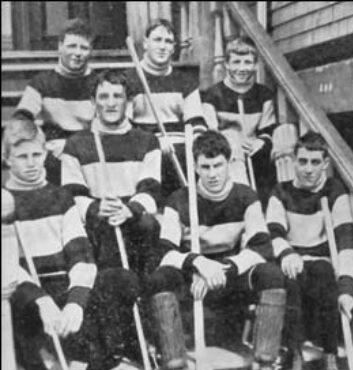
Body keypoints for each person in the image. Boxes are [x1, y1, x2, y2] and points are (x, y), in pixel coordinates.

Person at [4, 118, 141, 370]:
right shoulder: (3, 200)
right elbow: (8, 265)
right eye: (22, 157)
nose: (31, 164)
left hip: (63, 285)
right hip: (25, 291)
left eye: (37, 155)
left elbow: (81, 255)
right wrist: (43, 302)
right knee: (13, 306)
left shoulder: (60, 198)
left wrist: (75, 304)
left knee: (120, 281)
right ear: (7, 159)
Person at [148, 130, 287, 370]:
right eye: (205, 167)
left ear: (229, 163)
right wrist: (199, 263)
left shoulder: (245, 196)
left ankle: (262, 369)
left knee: (271, 274)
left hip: (229, 274)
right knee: (161, 278)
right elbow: (164, 251)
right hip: (194, 276)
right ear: (195, 167)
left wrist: (224, 267)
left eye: (218, 165)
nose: (212, 174)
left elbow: (262, 245)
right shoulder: (179, 200)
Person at [265, 130, 353, 370]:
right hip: (291, 259)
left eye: (315, 162)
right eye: (302, 161)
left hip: (321, 264)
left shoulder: (335, 191)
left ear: (325, 163)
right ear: (294, 161)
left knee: (323, 274)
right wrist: (288, 253)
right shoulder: (280, 191)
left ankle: (330, 360)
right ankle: (296, 361)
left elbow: (345, 243)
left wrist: (348, 290)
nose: (307, 169)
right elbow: (273, 232)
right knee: (290, 279)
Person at [61, 69, 162, 294]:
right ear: (92, 101)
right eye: (103, 97)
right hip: (97, 220)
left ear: (128, 101)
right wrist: (97, 208)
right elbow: (71, 194)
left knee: (148, 225)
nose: (111, 103)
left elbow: (152, 190)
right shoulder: (77, 144)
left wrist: (129, 210)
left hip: (132, 217)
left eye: (118, 96)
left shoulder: (147, 141)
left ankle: (145, 299)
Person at [125, 18, 207, 200]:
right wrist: (154, 143)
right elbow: (125, 125)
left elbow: (196, 123)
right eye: (157, 40)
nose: (163, 46)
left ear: (174, 48)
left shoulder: (185, 82)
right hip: (143, 144)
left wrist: (194, 144)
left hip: (179, 145)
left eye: (168, 42)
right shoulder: (128, 80)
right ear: (146, 44)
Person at [200, 36, 278, 209]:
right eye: (236, 62)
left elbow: (268, 129)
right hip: (227, 159)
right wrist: (231, 142)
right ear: (227, 64)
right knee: (232, 138)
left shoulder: (263, 95)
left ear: (256, 65)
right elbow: (211, 133)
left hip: (256, 156)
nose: (242, 68)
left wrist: (261, 142)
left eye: (248, 62)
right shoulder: (212, 95)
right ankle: (242, 202)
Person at [14, 18, 97, 165]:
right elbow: (22, 118)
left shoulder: (100, 83)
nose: (77, 53)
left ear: (90, 51)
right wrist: (40, 142)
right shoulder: (41, 83)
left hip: (89, 150)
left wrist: (71, 146)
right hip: (54, 151)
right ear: (60, 46)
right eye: (72, 46)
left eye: (83, 48)